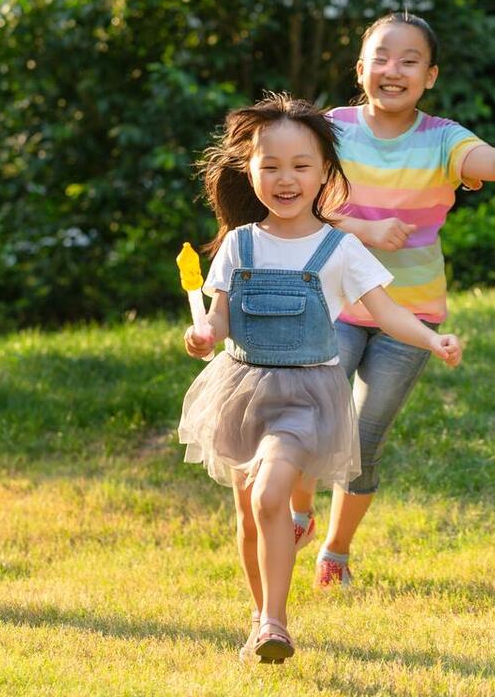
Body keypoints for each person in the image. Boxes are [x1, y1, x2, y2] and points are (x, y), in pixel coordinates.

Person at [178, 93, 462, 664]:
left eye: (301, 166)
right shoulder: (239, 243)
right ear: (249, 170)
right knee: (248, 510)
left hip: (305, 397)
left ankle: (276, 624)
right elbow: (219, 316)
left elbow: (385, 311)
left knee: (271, 492)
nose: (286, 179)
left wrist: (432, 338)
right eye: (271, 166)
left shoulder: (339, 248)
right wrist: (204, 332)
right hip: (240, 390)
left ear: (326, 173)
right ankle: (260, 616)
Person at [287, 11, 495, 588]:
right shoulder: (332, 128)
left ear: (430, 76)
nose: (392, 70)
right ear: (360, 69)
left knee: (362, 437)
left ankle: (336, 552)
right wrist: (364, 230)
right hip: (339, 302)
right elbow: (296, 200)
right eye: (381, 57)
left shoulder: (444, 139)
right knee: (310, 418)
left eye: (408, 61)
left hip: (412, 313)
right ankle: (300, 510)